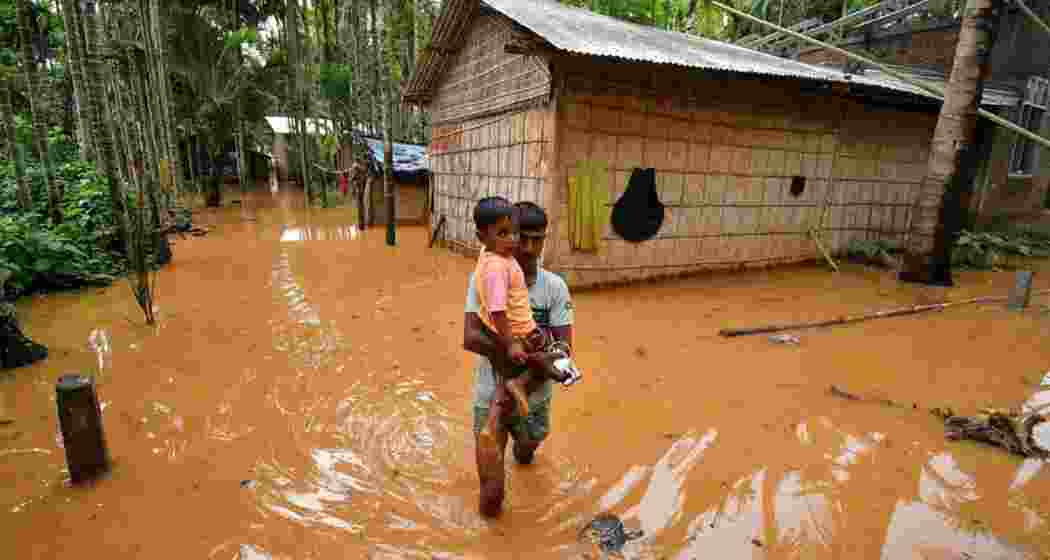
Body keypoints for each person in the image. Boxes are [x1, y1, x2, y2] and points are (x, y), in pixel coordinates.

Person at [463, 200, 577, 517]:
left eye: (536, 239)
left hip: (534, 399)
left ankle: (515, 401)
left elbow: (566, 348)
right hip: (490, 395)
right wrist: (528, 356)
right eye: (519, 237)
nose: (527, 247)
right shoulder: (487, 275)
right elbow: (469, 337)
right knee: (491, 494)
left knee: (526, 454)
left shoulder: (554, 287)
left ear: (544, 240)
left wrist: (549, 361)